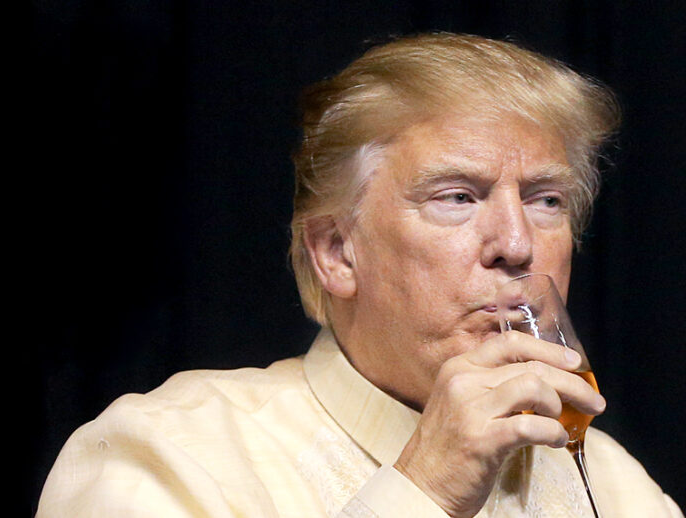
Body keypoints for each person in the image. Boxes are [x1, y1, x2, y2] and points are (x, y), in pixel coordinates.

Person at [35, 33, 683, 517]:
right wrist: (422, 491)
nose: (517, 245)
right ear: (336, 252)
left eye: (546, 200)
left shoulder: (617, 487)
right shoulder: (169, 452)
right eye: (457, 197)